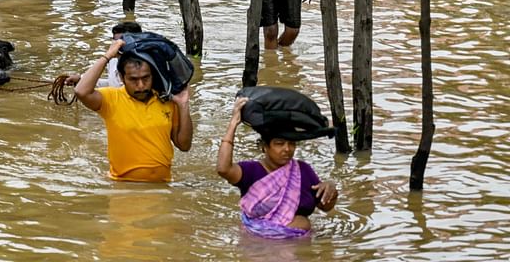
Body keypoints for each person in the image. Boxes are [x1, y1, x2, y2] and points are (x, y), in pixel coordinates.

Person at [73, 38, 193, 182]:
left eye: (145, 78)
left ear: (153, 75)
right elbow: (81, 91)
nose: (141, 85)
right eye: (133, 80)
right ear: (122, 78)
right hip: (123, 186)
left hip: (163, 186)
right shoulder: (112, 98)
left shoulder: (166, 99)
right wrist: (108, 55)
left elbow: (184, 145)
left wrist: (183, 105)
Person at [216, 96, 338, 238]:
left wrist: (331, 190)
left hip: (299, 249)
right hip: (258, 246)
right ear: (264, 147)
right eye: (279, 143)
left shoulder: (303, 170)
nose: (287, 149)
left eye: (291, 143)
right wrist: (233, 124)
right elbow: (223, 169)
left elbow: (324, 206)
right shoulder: (251, 171)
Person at [59, 21, 143, 91]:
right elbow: (112, 84)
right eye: (114, 41)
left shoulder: (144, 65)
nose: (115, 45)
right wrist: (81, 79)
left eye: (120, 42)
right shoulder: (113, 60)